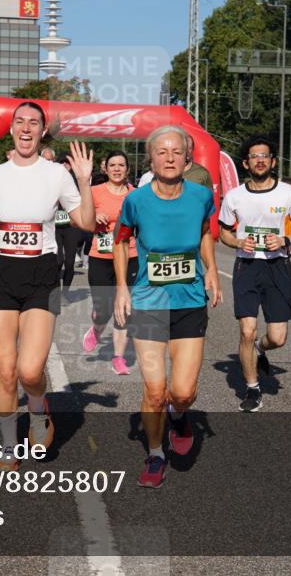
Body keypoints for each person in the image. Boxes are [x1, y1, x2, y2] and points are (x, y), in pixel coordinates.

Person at [0, 102, 95, 471]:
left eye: (34, 122)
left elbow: (86, 221)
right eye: (20, 122)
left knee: (30, 371)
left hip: (41, 273)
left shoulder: (56, 174)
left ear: (42, 130)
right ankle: (7, 447)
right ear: (12, 129)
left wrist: (83, 180)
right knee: (5, 370)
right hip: (1, 273)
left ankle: (37, 411)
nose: (27, 128)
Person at [113, 125, 221, 488]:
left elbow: (206, 232)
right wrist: (121, 289)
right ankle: (156, 454)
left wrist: (212, 270)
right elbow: (120, 242)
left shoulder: (200, 196)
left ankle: (180, 415)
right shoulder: (136, 200)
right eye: (162, 152)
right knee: (155, 390)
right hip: (148, 301)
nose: (170, 158)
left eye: (177, 151)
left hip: (190, 301)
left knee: (182, 392)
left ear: (187, 157)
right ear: (151, 159)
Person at [218, 135, 291, 412]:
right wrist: (237, 242)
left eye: (265, 156)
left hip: (277, 267)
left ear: (272, 161)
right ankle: (252, 388)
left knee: (278, 338)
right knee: (246, 330)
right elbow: (223, 231)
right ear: (246, 163)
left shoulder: (289, 193)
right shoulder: (234, 196)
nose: (260, 161)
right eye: (254, 157)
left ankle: (260, 348)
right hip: (246, 266)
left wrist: (286, 240)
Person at [82, 150, 138, 375]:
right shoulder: (94, 192)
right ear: (105, 169)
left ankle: (118, 357)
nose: (117, 169)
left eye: (121, 165)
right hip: (101, 257)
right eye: (112, 165)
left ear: (127, 169)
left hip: (130, 256)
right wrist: (93, 214)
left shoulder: (136, 194)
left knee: (123, 308)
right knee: (103, 309)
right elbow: (78, 216)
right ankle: (96, 329)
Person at [54, 151, 84, 291]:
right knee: (58, 261)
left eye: (67, 163)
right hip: (55, 226)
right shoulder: (51, 180)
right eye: (61, 163)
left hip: (72, 226)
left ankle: (65, 292)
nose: (64, 165)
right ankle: (53, 290)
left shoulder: (77, 180)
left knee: (70, 262)